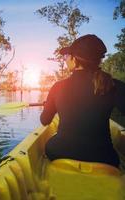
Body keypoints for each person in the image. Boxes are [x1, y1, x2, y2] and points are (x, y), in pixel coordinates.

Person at [40, 34, 125, 168]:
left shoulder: (58, 87)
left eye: (67, 56)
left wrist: (49, 105)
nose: (66, 59)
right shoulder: (113, 85)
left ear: (74, 59)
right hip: (105, 157)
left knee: (50, 144)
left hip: (59, 152)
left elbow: (44, 120)